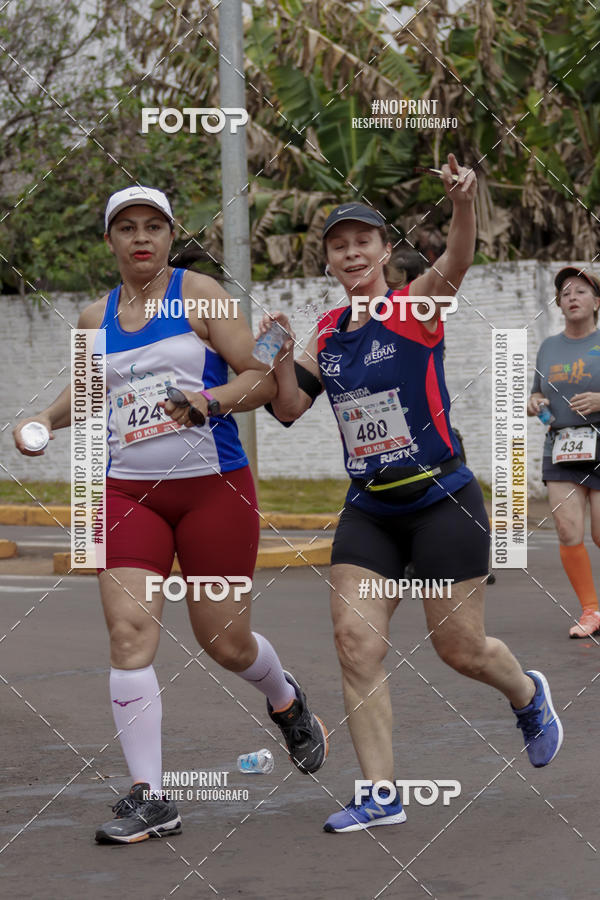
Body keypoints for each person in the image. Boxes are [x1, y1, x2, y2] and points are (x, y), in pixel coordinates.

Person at [13, 185, 328, 844]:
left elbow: (259, 377)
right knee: (129, 633)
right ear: (110, 240)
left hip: (215, 489)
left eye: (152, 226)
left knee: (225, 642)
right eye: (126, 227)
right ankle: (151, 797)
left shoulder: (201, 294)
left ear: (169, 234)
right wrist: (43, 418)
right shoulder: (93, 318)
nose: (140, 237)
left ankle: (285, 698)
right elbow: (89, 392)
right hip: (128, 494)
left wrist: (209, 400)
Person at [261, 154, 563, 834]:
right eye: (339, 245)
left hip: (441, 500)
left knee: (460, 649)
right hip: (371, 509)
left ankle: (526, 694)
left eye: (362, 241)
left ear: (382, 250)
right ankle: (380, 795)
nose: (351, 253)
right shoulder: (327, 335)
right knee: (354, 642)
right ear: (329, 261)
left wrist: (464, 203)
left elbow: (458, 259)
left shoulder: (413, 307)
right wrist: (278, 357)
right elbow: (287, 408)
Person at [528, 266, 600, 638]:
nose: (572, 297)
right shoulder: (548, 347)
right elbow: (537, 393)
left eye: (581, 291)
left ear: (597, 302)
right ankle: (591, 611)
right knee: (567, 529)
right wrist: (535, 402)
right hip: (561, 446)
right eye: (565, 293)